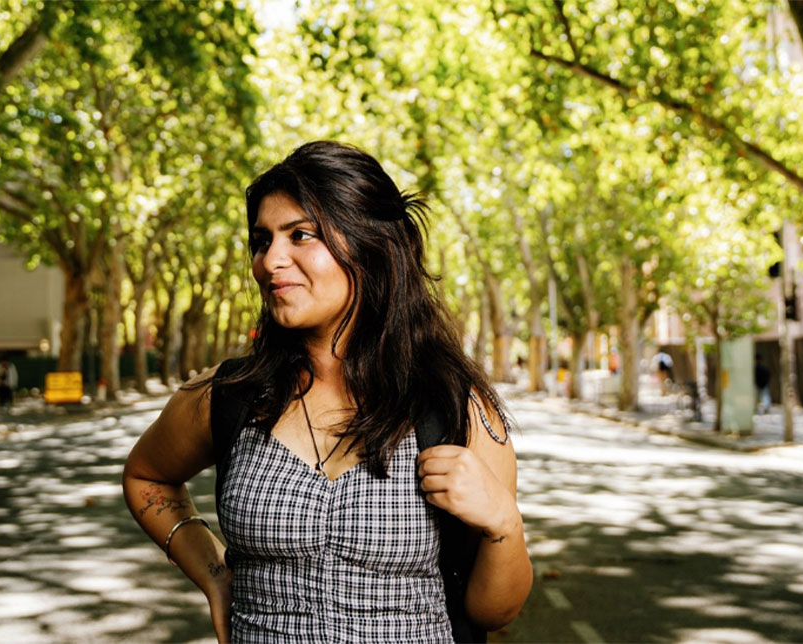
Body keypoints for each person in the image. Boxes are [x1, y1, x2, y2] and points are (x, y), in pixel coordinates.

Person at [122, 142, 531, 643]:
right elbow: (147, 477)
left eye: (300, 235)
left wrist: (503, 524)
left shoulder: (456, 406)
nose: (270, 259)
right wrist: (214, 577)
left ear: (369, 243)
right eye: (261, 240)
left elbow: (496, 614)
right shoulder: (228, 395)